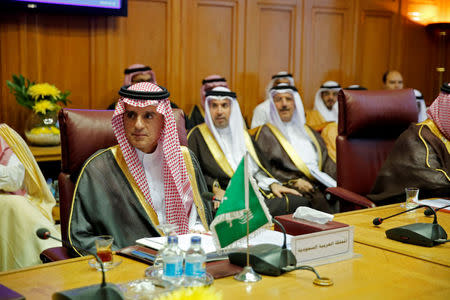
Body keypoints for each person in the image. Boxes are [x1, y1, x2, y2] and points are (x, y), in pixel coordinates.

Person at [69, 82, 212, 254]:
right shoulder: (98, 169)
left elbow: (201, 218)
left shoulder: (185, 160)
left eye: (148, 116)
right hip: (128, 264)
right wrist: (124, 256)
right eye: (130, 115)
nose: (138, 125)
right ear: (122, 118)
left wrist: (197, 232)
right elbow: (80, 237)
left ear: (163, 120)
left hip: (184, 259)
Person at [188, 86, 309, 216]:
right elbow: (194, 173)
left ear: (232, 108)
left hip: (256, 190)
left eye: (224, 105)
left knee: (299, 202)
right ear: (208, 108)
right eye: (214, 106)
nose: (219, 111)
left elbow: (257, 170)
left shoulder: (243, 135)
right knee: (232, 212)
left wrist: (272, 184)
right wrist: (215, 188)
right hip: (227, 195)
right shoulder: (197, 135)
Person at [250, 84, 338, 213]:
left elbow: (326, 161)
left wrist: (338, 182)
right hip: (291, 186)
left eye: (288, 99)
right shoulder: (265, 133)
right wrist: (293, 182)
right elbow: (265, 168)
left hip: (320, 185)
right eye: (278, 100)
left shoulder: (309, 132)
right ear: (272, 105)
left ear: (295, 103)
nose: (284, 104)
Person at [367, 83, 450, 204]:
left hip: (433, 205)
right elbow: (434, 179)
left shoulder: (445, 135)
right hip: (394, 207)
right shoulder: (418, 136)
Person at [0, 124, 60, 271]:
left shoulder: (3, 135)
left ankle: (55, 261)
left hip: (11, 199)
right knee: (15, 205)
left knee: (17, 205)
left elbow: (15, 179)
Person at [108, 64, 180, 110]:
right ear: (129, 82)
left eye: (149, 80)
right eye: (140, 81)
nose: (146, 84)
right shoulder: (116, 108)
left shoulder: (168, 106)